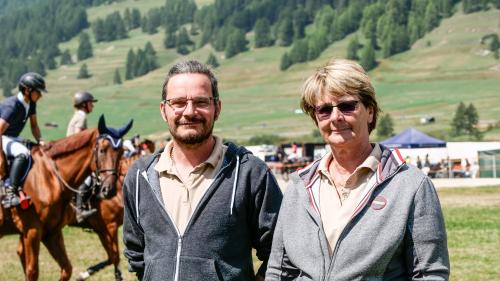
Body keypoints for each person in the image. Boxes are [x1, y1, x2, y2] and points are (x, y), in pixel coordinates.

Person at [266, 59, 449, 280]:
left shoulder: (411, 185)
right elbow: (279, 270)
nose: (336, 117)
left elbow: (429, 273)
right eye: (324, 110)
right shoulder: (299, 186)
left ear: (370, 112)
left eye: (346, 106)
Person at [123, 60, 282, 281]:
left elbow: (280, 252)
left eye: (201, 102)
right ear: (164, 110)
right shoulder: (140, 177)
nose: (189, 112)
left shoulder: (249, 173)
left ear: (217, 108)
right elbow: (137, 255)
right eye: (178, 102)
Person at [0, 72, 46, 208]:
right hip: (2, 136)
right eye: (38, 92)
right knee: (23, 153)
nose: (41, 95)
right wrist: (1, 157)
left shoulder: (31, 104)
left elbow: (34, 126)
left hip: (11, 137)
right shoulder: (12, 106)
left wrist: (40, 140)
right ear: (27, 90)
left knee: (35, 150)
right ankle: (10, 193)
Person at [66, 90, 98, 222]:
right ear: (84, 104)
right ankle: (79, 210)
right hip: (76, 155)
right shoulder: (81, 116)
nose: (93, 105)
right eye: (91, 103)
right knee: (87, 180)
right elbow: (79, 137)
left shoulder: (78, 115)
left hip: (74, 154)